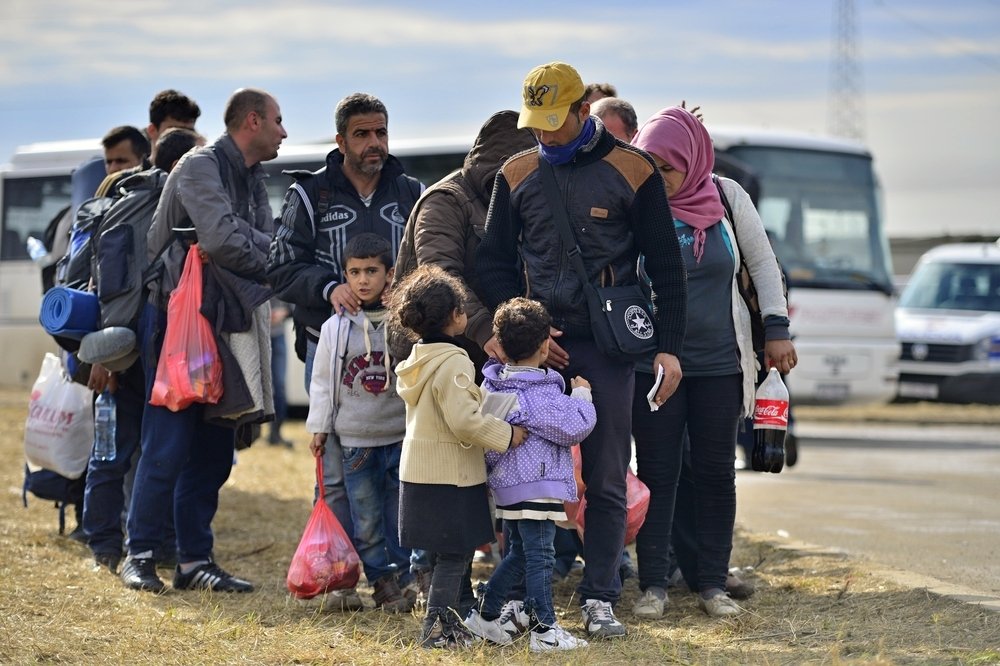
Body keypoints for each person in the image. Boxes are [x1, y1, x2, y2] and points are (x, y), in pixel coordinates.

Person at [477, 61, 687, 639]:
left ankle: (599, 597)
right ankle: (519, 596)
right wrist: (525, 332)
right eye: (534, 124)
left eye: (553, 122)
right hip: (533, 350)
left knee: (607, 473)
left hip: (610, 344)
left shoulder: (634, 169)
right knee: (520, 470)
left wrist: (669, 349)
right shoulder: (514, 172)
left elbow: (666, 266)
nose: (544, 134)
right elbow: (491, 263)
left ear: (581, 111)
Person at [628, 106, 796, 619]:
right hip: (654, 368)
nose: (656, 177)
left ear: (693, 161)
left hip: (722, 364)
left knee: (717, 472)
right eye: (648, 165)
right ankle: (653, 584)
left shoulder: (726, 197)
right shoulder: (637, 201)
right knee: (657, 472)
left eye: (667, 168)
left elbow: (763, 263)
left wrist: (776, 328)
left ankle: (712, 585)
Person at [121, 87, 286, 593]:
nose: (284, 131)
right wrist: (260, 252)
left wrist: (250, 245)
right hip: (176, 324)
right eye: (278, 120)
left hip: (223, 321)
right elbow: (223, 240)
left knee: (216, 450)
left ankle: (194, 561)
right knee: (167, 444)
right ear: (253, 121)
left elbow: (264, 241)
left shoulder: (252, 174)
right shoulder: (197, 165)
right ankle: (141, 555)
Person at [268, 92, 422, 609]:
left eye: (381, 131)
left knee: (398, 473)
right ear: (341, 141)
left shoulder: (411, 192)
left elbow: (430, 263)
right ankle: (339, 577)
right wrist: (325, 286)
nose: (374, 142)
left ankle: (394, 576)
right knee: (336, 475)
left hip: (400, 355)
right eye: (362, 134)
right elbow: (279, 266)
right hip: (328, 351)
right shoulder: (309, 195)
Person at [82, 127, 204, 575]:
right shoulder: (161, 207)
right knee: (148, 451)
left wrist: (104, 349)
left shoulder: (124, 201)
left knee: (115, 453)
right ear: (184, 166)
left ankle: (107, 548)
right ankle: (127, 547)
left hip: (123, 347)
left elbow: (100, 284)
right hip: (151, 346)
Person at [391, 264, 527, 649]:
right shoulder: (454, 361)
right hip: (451, 476)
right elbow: (464, 422)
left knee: (442, 556)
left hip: (419, 474)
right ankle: (435, 630)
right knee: (454, 556)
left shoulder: (419, 358)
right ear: (455, 316)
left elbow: (449, 408)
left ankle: (452, 626)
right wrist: (507, 434)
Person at [465, 298, 595, 652]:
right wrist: (582, 392)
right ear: (544, 347)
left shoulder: (494, 386)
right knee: (541, 556)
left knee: (520, 554)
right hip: (537, 484)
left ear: (501, 346)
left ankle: (486, 615)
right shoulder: (539, 394)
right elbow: (576, 426)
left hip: (508, 485)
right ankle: (545, 629)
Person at [306, 232, 413, 613]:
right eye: (355, 272)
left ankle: (406, 577)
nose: (363, 280)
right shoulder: (335, 327)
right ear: (345, 276)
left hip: (400, 436)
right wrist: (319, 427)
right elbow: (321, 383)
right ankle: (381, 581)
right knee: (365, 517)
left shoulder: (404, 322)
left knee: (400, 513)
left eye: (372, 271)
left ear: (389, 274)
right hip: (355, 442)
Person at [267, 297, 292, 447]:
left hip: (277, 335)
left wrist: (283, 312)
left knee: (279, 385)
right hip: (259, 334)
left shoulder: (280, 279)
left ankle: (275, 433)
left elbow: (293, 307)